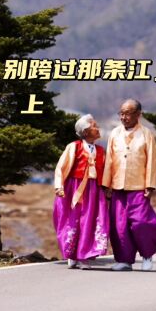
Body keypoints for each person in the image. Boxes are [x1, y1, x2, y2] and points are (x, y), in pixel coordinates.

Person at [102, 99, 156, 271]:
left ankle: (147, 255)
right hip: (117, 187)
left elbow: (153, 160)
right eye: (121, 113)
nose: (123, 117)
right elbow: (109, 160)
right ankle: (124, 260)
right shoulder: (114, 133)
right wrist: (106, 185)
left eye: (128, 113)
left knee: (141, 223)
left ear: (138, 114)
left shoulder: (146, 134)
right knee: (119, 225)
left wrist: (150, 185)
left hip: (138, 187)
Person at [53, 114, 109, 270]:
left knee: (90, 221)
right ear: (85, 132)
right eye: (94, 126)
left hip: (94, 190)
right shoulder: (74, 147)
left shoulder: (101, 150)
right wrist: (59, 186)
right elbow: (61, 167)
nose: (98, 128)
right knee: (72, 220)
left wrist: (107, 189)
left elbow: (105, 171)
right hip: (74, 189)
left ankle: (85, 256)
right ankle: (72, 254)